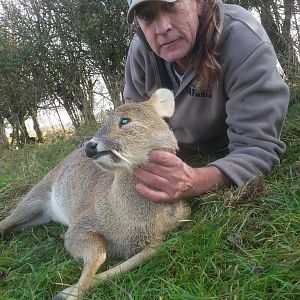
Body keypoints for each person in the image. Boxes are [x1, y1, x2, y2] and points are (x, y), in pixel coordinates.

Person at [123, 0, 289, 203]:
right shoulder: (141, 52)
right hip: (178, 148)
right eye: (147, 16)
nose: (162, 28)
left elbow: (258, 147)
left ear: (199, 3)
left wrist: (194, 181)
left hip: (227, 144)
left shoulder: (245, 41)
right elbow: (134, 122)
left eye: (170, 6)